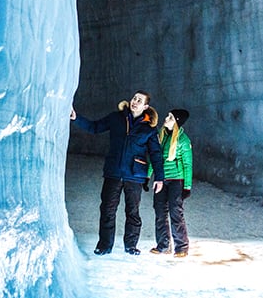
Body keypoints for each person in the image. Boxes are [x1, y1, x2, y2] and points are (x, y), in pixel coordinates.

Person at [70, 91, 165, 256]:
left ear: (146, 106)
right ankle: (105, 245)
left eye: (139, 100)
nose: (135, 101)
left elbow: (155, 153)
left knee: (132, 211)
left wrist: (159, 178)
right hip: (114, 172)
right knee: (107, 209)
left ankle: (131, 245)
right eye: (134, 98)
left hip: (135, 175)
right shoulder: (116, 118)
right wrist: (75, 117)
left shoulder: (149, 128)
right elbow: (95, 127)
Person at [150, 109, 192, 258]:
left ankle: (181, 246)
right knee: (160, 211)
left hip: (176, 181)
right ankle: (163, 245)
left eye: (170, 117)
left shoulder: (183, 140)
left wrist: (187, 186)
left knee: (175, 212)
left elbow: (187, 164)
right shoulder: (162, 137)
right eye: (167, 115)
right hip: (161, 180)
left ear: (176, 121)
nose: (166, 118)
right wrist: (148, 176)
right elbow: (154, 159)